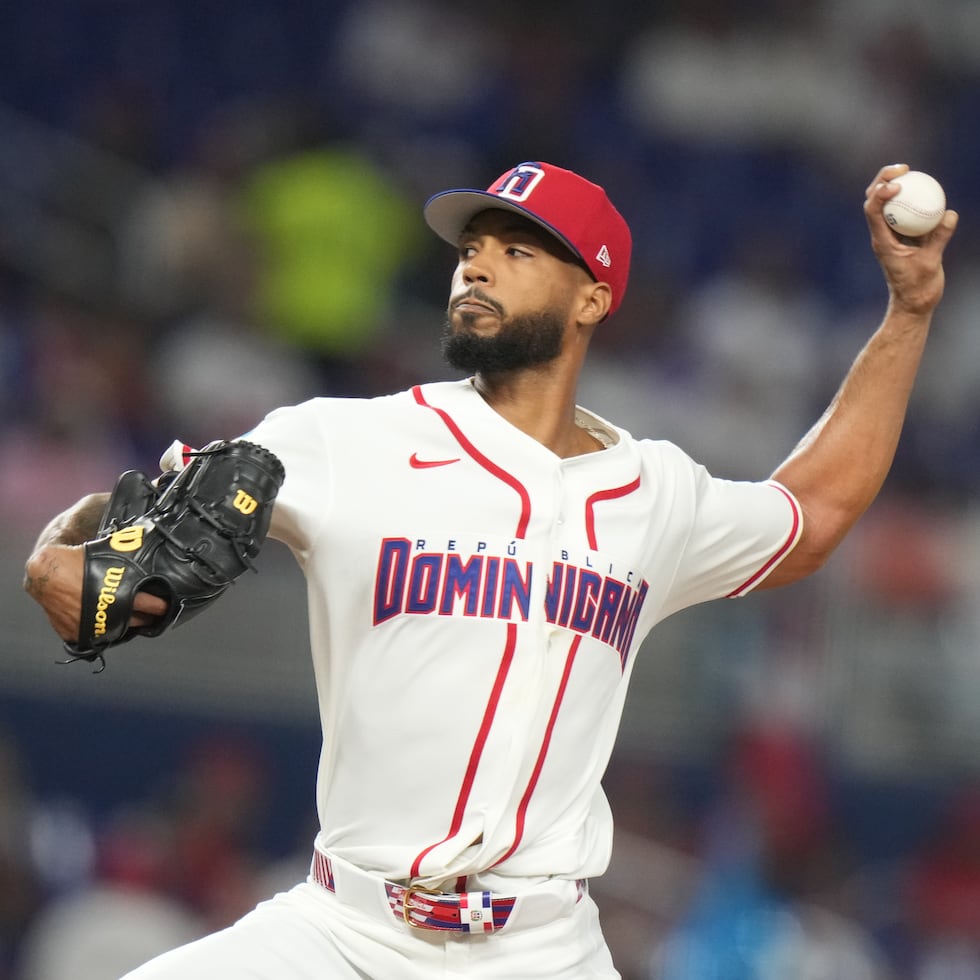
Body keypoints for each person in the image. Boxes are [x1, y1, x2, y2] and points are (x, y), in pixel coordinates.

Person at [22, 160, 957, 978]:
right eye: (474, 244)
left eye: (519, 250)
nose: (477, 262)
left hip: (543, 950)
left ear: (594, 295)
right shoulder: (344, 439)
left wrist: (909, 312)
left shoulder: (656, 495)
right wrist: (61, 560)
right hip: (342, 931)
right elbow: (110, 555)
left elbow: (814, 516)